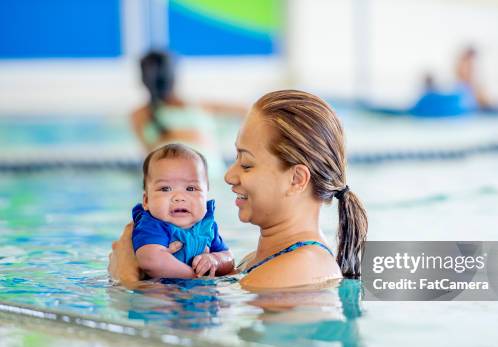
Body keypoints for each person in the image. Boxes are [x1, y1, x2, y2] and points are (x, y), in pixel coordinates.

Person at [109, 90, 368, 290]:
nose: (229, 175)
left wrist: (127, 281)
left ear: (296, 179)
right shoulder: (253, 261)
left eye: (246, 163)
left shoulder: (302, 267)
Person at [131, 50, 246, 175]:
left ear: (144, 80)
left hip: (163, 178)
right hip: (209, 177)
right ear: (174, 76)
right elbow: (247, 111)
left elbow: (148, 153)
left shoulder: (138, 116)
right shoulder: (200, 108)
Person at [132, 143, 234, 279]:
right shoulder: (153, 225)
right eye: (165, 189)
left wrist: (214, 259)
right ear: (146, 201)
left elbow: (229, 258)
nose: (179, 197)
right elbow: (151, 261)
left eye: (191, 189)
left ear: (206, 196)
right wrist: (195, 278)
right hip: (163, 296)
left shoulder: (207, 226)